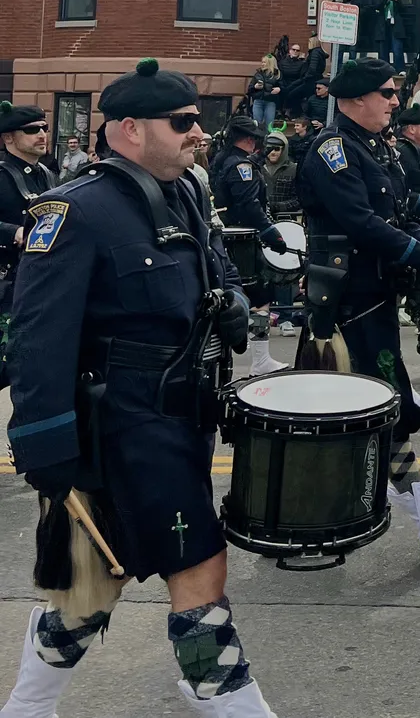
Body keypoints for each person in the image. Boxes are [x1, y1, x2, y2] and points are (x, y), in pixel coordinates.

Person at [1, 58, 280, 717]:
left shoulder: (187, 192)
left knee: (87, 592)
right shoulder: (74, 213)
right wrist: (43, 450)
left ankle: (25, 709)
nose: (197, 134)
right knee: (199, 574)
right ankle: (223, 693)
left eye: (199, 122)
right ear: (128, 130)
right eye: (182, 123)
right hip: (119, 431)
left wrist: (235, 303)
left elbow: (215, 270)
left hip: (181, 420)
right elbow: (37, 341)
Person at [295, 57, 420, 566]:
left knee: (372, 411)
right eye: (385, 93)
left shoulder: (372, 148)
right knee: (373, 409)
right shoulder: (333, 151)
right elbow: (362, 224)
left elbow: (393, 213)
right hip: (348, 301)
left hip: (372, 295)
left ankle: (337, 513)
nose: (394, 101)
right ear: (353, 100)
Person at [211, 115, 290, 377]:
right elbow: (248, 204)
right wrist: (270, 232)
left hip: (229, 237)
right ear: (248, 139)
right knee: (260, 299)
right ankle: (261, 359)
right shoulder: (240, 166)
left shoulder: (226, 160)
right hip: (242, 240)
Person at [0, 103, 54, 387]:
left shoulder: (45, 174)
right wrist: (14, 232)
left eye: (44, 128)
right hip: (6, 281)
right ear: (9, 138)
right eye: (32, 130)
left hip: (38, 280)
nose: (42, 134)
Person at [263, 131, 299, 221]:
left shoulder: (294, 169)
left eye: (277, 149)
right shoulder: (256, 168)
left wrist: (276, 206)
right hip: (260, 219)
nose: (272, 152)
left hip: (287, 219)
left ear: (284, 149)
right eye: (269, 149)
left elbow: (299, 199)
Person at [376, 0, 409, 75]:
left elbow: (403, 9)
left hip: (395, 27)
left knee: (397, 48)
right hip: (383, 27)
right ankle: (384, 70)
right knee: (383, 50)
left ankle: (400, 69)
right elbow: (378, 7)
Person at [247, 54, 282, 130]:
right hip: (258, 100)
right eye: (262, 62)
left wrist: (279, 89)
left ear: (270, 63)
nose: (262, 64)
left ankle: (267, 140)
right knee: (257, 124)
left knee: (269, 125)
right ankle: (257, 141)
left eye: (264, 62)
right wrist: (255, 87)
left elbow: (283, 87)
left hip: (270, 101)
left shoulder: (277, 75)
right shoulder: (258, 74)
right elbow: (249, 89)